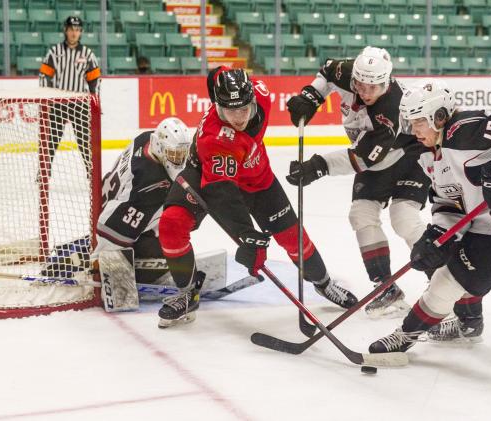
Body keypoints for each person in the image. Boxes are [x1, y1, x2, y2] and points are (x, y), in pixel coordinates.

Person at [368, 79, 491, 354]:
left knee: (449, 279)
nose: (413, 130)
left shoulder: (467, 130)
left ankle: (406, 335)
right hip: (488, 224)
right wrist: (436, 236)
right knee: (450, 257)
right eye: (409, 122)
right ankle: (469, 324)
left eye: (418, 121)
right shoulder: (428, 155)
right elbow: (448, 202)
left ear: (439, 116)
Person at [157, 67, 359, 328]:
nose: (239, 118)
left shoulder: (262, 94)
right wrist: (247, 236)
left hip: (257, 179)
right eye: (230, 111)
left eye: (243, 109)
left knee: (293, 238)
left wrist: (305, 103)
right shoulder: (214, 138)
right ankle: (187, 292)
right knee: (172, 223)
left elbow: (223, 74)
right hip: (205, 175)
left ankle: (323, 283)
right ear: (219, 106)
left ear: (252, 99)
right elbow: (222, 194)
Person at [285, 47, 430, 318]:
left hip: (410, 156)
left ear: (386, 81)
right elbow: (327, 71)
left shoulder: (392, 107)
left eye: (373, 86)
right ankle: (386, 289)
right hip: (375, 156)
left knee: (404, 219)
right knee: (361, 214)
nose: (365, 92)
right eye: (360, 84)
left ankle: (443, 283)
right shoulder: (347, 71)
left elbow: (364, 159)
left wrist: (317, 167)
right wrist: (312, 95)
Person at [41, 117, 191, 287]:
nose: (179, 160)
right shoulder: (148, 186)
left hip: (110, 204)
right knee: (162, 257)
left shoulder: (146, 138)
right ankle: (76, 260)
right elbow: (112, 231)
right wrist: (107, 269)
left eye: (182, 154)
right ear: (159, 146)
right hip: (113, 220)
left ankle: (81, 250)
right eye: (174, 154)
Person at [39, 16, 101, 176]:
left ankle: (91, 172)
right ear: (65, 30)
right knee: (50, 140)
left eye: (77, 30)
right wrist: (47, 97)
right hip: (58, 103)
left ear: (81, 32)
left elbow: (95, 80)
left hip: (79, 104)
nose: (74, 33)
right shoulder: (55, 52)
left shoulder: (87, 54)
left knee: (85, 141)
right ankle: (43, 173)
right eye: (71, 29)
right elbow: (44, 76)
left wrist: (95, 101)